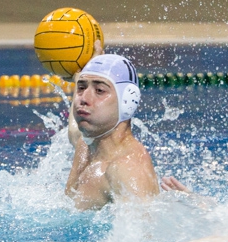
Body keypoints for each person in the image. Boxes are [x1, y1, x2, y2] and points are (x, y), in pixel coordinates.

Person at [65, 52, 160, 209]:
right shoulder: (86, 146)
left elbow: (146, 232)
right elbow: (73, 130)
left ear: (127, 101)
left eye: (100, 90)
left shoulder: (126, 169)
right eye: (81, 88)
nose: (83, 99)